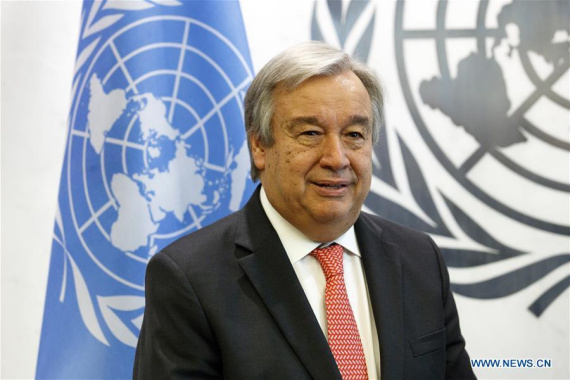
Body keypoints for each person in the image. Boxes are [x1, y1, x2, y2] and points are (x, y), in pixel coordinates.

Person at [133, 41, 475, 380]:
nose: (337, 158)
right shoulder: (190, 279)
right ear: (259, 146)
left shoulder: (419, 259)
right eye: (310, 133)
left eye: (354, 134)